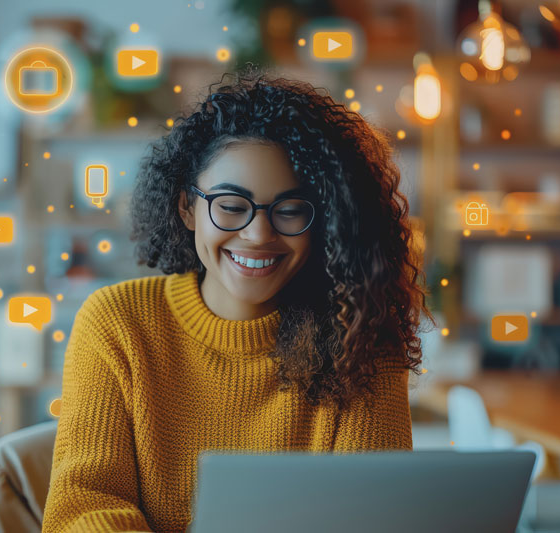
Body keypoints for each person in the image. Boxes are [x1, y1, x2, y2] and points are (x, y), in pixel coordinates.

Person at [42, 70, 430, 533]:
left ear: (324, 220)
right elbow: (82, 505)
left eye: (289, 210)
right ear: (187, 207)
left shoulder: (360, 335)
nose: (258, 235)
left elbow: (370, 519)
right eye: (230, 205)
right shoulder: (118, 323)